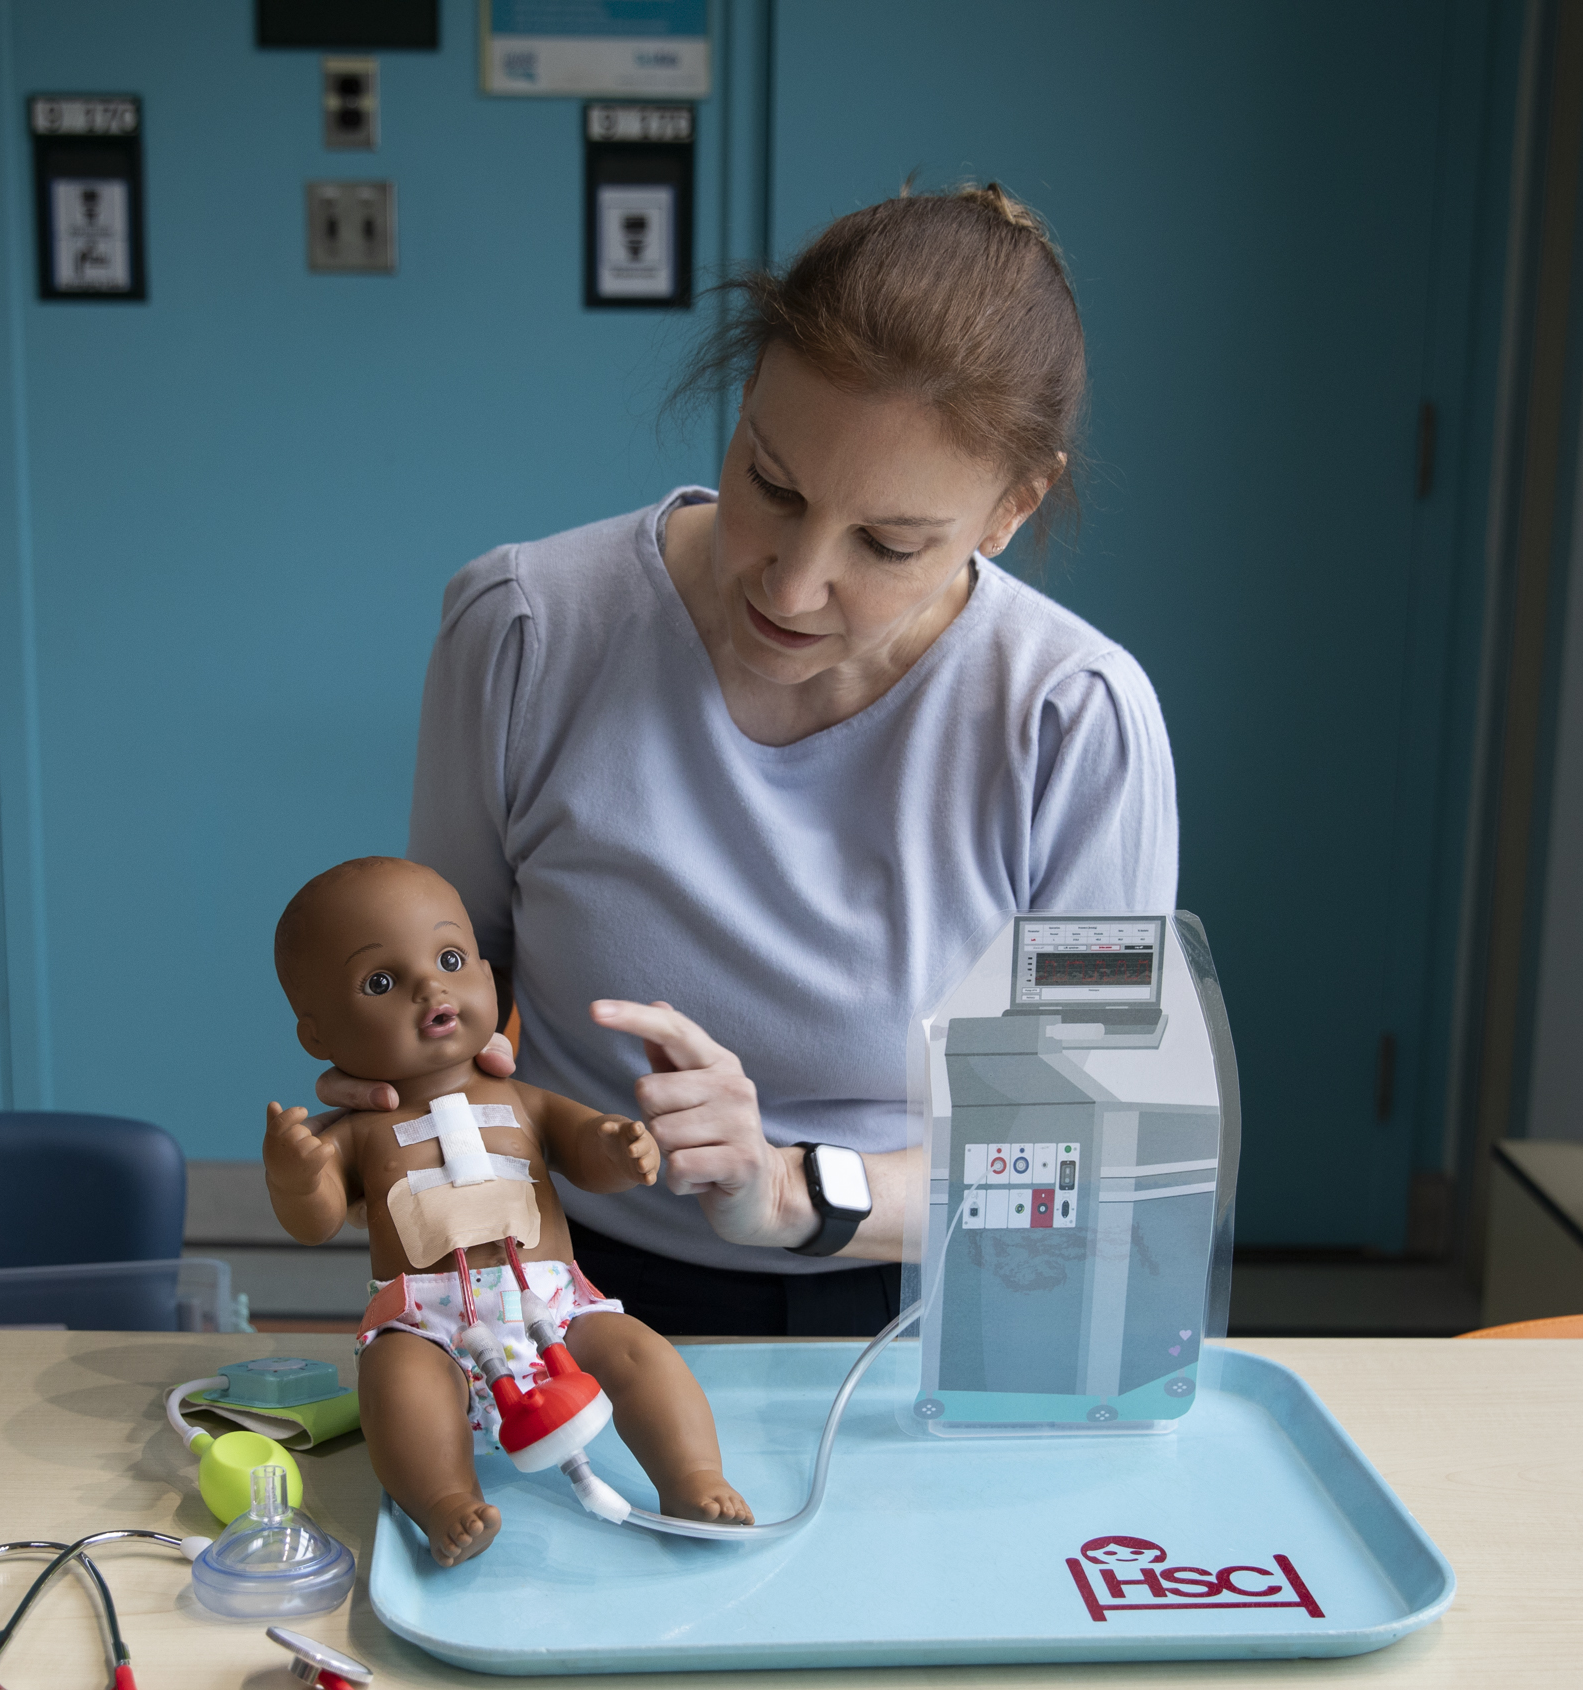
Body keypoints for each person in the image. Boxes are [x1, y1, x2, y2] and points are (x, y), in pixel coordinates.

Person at [324, 185, 1179, 1341]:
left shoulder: (1076, 724)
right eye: (771, 484)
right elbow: (456, 989)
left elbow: (1082, 1156)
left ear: (1009, 509)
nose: (789, 584)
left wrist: (788, 1189)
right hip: (561, 1278)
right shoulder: (525, 631)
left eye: (887, 543)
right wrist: (401, 1066)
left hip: (908, 1305)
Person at [264, 856, 749, 1566]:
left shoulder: (523, 1101)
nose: (430, 986)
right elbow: (314, 1221)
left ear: (489, 979)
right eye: (380, 982)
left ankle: (693, 1478)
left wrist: (616, 1146)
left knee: (638, 1350)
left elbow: (582, 1150)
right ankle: (444, 1501)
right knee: (400, 1384)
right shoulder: (360, 1133)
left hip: (551, 1300)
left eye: (450, 958)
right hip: (427, 1324)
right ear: (318, 1037)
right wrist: (297, 1175)